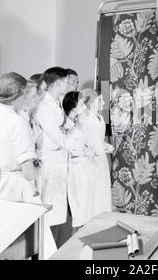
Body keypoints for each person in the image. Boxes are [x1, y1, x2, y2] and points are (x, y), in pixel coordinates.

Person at [0, 72, 41, 202]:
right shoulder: (18, 122)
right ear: (17, 94)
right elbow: (29, 173)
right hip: (17, 190)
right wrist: (40, 166)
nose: (26, 98)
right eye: (25, 93)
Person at [34, 67, 72, 246]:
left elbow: (69, 126)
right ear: (58, 83)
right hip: (49, 163)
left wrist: (67, 129)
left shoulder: (57, 103)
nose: (69, 84)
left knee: (58, 216)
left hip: (60, 162)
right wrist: (67, 132)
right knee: (49, 215)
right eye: (67, 81)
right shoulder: (43, 106)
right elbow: (59, 137)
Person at [62, 91, 94, 228]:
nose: (85, 106)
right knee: (79, 204)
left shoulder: (81, 122)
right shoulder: (65, 125)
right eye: (82, 103)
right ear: (73, 106)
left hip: (85, 165)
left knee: (87, 203)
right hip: (75, 167)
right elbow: (67, 144)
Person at [80, 89, 113, 217]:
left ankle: (102, 218)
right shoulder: (84, 118)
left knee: (102, 191)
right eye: (100, 100)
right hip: (91, 160)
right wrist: (92, 152)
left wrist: (106, 146)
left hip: (102, 159)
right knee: (93, 193)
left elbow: (97, 139)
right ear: (90, 102)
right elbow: (83, 141)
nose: (104, 102)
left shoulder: (99, 117)